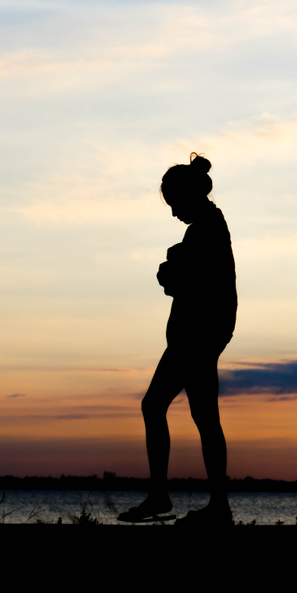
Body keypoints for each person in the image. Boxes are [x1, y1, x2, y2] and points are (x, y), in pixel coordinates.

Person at [118, 153, 237, 525]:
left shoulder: (207, 227)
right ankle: (194, 501)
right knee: (192, 413)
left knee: (166, 408)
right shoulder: (205, 226)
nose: (172, 213)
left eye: (174, 204)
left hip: (197, 335)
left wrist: (170, 270)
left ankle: (192, 502)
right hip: (197, 333)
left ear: (187, 196)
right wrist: (174, 268)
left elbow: (192, 282)